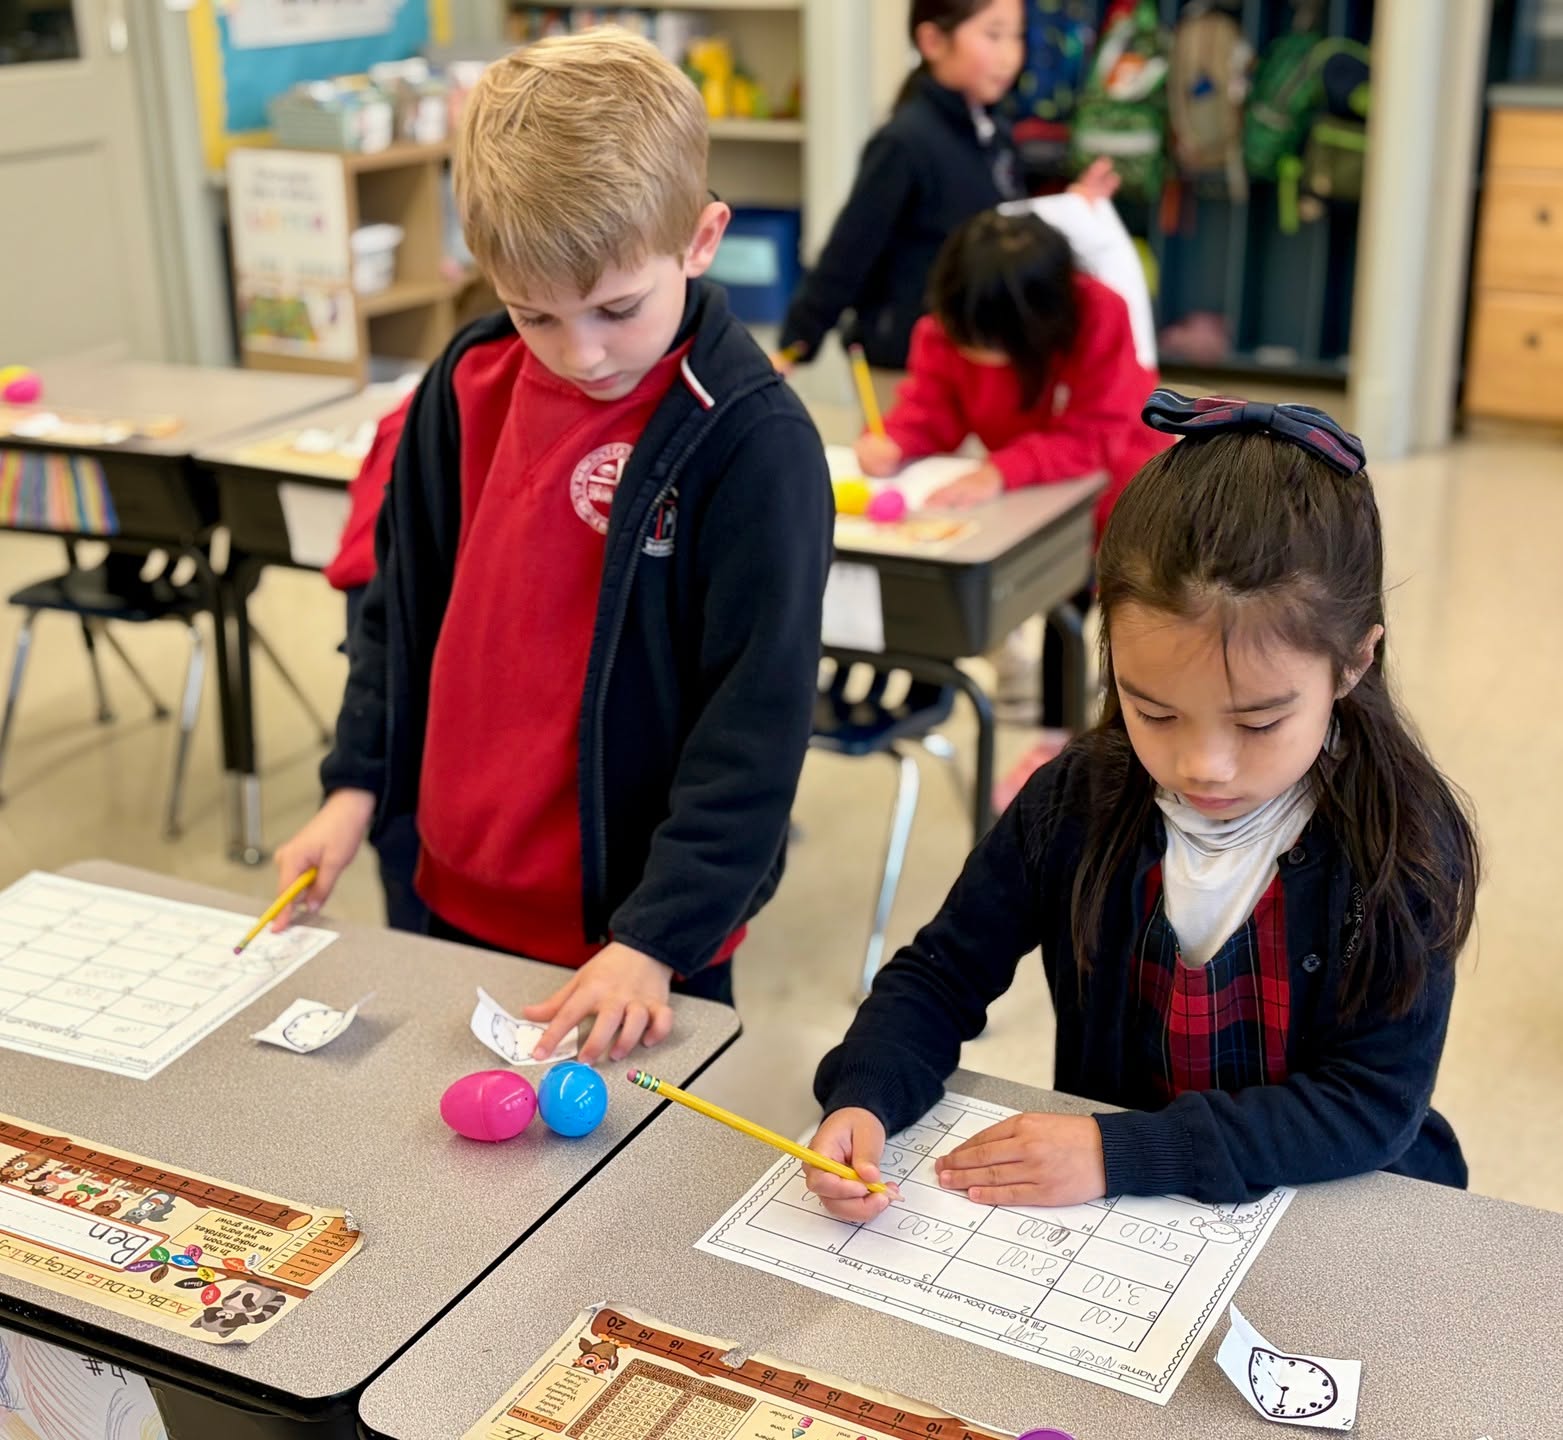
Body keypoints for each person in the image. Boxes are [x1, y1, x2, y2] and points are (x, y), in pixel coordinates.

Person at [272, 28, 834, 1064]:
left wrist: (655, 939)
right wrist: (354, 787)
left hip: (638, 942)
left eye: (619, 308)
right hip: (450, 888)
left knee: (622, 1202)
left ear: (701, 241)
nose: (582, 353)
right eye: (536, 314)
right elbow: (398, 611)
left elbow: (751, 729)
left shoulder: (752, 441)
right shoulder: (466, 380)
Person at [806, 392, 1480, 1211]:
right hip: (1129, 1216)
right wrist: (865, 1092)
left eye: (1258, 720)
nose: (1201, 764)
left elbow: (1368, 1105)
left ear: (1352, 663)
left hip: (1329, 1200)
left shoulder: (1398, 839)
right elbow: (942, 972)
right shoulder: (1077, 799)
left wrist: (1122, 1149)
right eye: (1152, 710)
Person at [856, 191, 1170, 724]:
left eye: (991, 342)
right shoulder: (945, 328)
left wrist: (1002, 470)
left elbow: (1099, 433)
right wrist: (896, 439)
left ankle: (1095, 729)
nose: (974, 352)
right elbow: (932, 408)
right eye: (965, 336)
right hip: (1031, 497)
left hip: (1124, 491)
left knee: (1111, 615)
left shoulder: (1098, 314)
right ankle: (1053, 729)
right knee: (1041, 598)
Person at [775, 0, 1024, 373]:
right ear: (933, 41)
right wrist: (795, 345)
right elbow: (848, 252)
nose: (1010, 54)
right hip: (902, 361)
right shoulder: (904, 143)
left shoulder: (996, 136)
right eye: (993, 35)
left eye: (1016, 36)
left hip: (970, 353)